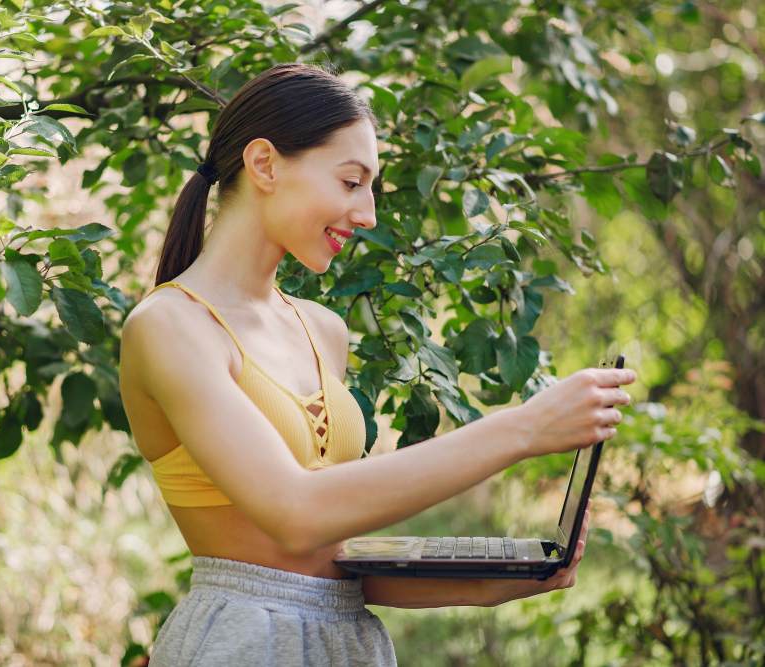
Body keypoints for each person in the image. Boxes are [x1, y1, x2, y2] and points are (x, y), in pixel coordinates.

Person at [118, 63, 636, 667]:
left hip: (348, 644)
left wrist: (517, 576)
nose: (366, 214)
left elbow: (338, 563)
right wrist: (523, 429)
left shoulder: (323, 330)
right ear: (264, 165)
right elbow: (296, 513)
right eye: (350, 182)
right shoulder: (168, 327)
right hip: (241, 643)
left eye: (371, 188)